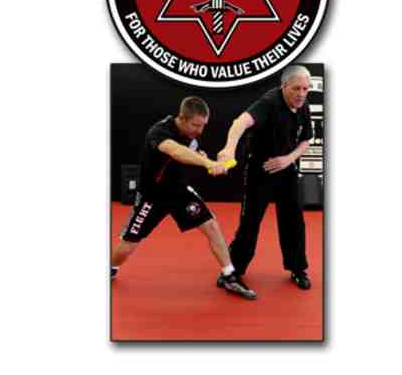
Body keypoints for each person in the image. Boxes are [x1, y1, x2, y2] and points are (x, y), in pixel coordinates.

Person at [111, 96, 256, 300]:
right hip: (152, 196)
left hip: (179, 192)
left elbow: (190, 152)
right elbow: (176, 151)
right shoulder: (160, 131)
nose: (200, 131)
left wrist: (205, 158)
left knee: (211, 226)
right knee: (129, 243)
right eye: (196, 125)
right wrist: (208, 163)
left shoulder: (192, 135)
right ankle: (110, 268)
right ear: (182, 118)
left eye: (203, 125)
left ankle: (229, 275)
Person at [217, 65, 314, 290]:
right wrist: (229, 149)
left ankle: (297, 268)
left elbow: (306, 141)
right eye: (296, 88)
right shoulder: (269, 102)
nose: (301, 94)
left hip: (286, 167)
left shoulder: (303, 105)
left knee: (293, 220)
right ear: (284, 86)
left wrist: (288, 159)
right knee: (250, 222)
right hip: (260, 169)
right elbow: (240, 122)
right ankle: (232, 271)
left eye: (305, 89)